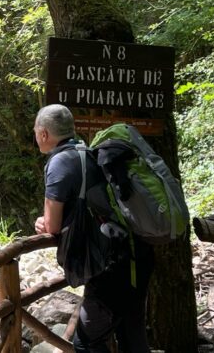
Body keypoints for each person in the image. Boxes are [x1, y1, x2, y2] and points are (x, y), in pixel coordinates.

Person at [32, 104, 154, 353]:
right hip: (133, 255)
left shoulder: (59, 163)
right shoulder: (90, 154)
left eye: (36, 132)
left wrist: (42, 222)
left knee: (86, 344)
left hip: (110, 267)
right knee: (131, 340)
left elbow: (52, 225)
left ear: (43, 133)